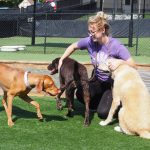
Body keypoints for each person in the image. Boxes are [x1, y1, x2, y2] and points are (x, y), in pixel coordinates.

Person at [58, 11, 136, 119]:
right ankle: (102, 102)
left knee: (103, 113)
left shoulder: (116, 45)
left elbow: (133, 64)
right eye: (89, 32)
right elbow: (73, 46)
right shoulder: (90, 41)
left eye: (93, 31)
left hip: (112, 85)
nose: (91, 35)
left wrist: (120, 61)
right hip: (98, 81)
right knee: (80, 93)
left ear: (103, 30)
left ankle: (120, 103)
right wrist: (62, 59)